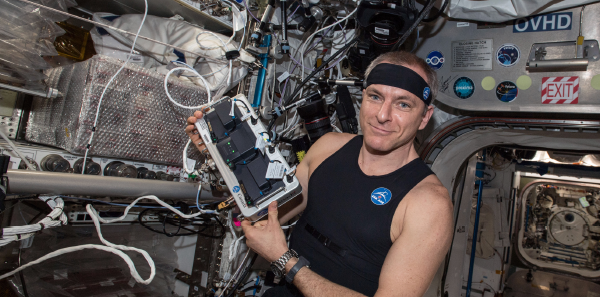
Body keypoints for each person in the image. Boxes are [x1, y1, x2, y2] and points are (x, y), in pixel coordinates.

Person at [185, 51, 453, 297]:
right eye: (375, 96)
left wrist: (284, 260)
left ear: (425, 116)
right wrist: (220, 153)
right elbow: (264, 213)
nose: (383, 115)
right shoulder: (328, 146)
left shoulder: (429, 204)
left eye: (403, 104)